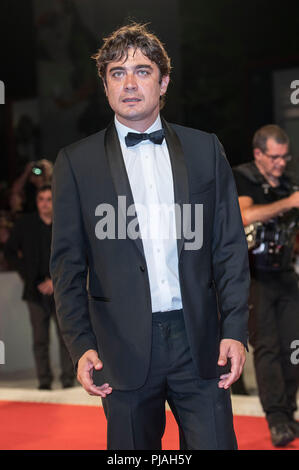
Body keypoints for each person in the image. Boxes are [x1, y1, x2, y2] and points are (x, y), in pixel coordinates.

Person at [50, 23, 250, 450]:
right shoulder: (75, 162)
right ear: (104, 86)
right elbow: (67, 265)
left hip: (201, 342)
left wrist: (234, 328)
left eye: (142, 71)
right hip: (119, 349)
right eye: (117, 73)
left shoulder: (205, 149)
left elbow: (229, 247)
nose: (129, 83)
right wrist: (80, 344)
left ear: (163, 82)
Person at [233, 124, 299, 447]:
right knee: (268, 348)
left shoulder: (288, 183)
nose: (281, 163)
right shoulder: (244, 178)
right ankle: (276, 418)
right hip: (256, 277)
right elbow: (245, 216)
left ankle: (288, 411)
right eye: (274, 157)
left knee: (294, 347)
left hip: (286, 274)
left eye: (285, 157)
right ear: (258, 154)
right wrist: (288, 203)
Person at [5, 185, 74, 390]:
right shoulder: (25, 224)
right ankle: (44, 381)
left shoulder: (65, 224)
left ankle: (68, 379)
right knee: (40, 339)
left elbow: (74, 255)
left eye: (49, 199)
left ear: (55, 201)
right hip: (35, 291)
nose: (45, 204)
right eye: (41, 199)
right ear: (36, 202)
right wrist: (30, 278)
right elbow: (9, 252)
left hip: (62, 289)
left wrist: (55, 281)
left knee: (67, 337)